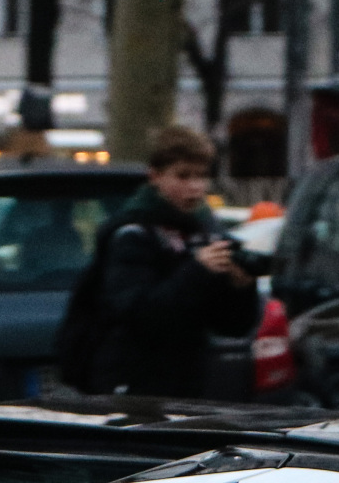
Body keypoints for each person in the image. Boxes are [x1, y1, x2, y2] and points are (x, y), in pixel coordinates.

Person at [89, 125, 262, 397]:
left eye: (202, 176)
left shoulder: (206, 231)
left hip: (191, 378)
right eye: (183, 177)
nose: (195, 187)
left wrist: (241, 287)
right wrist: (197, 270)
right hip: (135, 379)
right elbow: (139, 314)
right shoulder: (133, 234)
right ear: (155, 177)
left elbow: (232, 325)